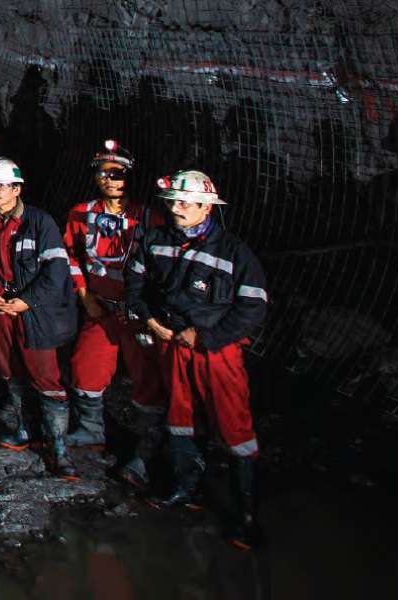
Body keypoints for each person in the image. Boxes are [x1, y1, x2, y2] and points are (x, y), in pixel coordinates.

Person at [125, 170, 269, 550]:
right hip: (171, 342)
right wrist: (150, 319)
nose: (176, 209)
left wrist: (206, 337)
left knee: (234, 426)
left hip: (216, 352)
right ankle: (185, 488)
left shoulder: (235, 252)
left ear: (207, 207)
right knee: (179, 417)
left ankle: (247, 515)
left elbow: (252, 307)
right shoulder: (154, 240)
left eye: (185, 203)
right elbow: (134, 285)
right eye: (172, 202)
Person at [0, 159, 79, 477]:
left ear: (16, 189)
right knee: (10, 371)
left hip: (35, 313)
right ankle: (25, 429)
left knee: (46, 377)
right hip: (0, 307)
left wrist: (27, 301)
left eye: (0, 185)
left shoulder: (39, 222)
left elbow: (57, 270)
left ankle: (59, 449)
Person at [64, 140, 168, 486]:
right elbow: (71, 256)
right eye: (102, 173)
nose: (109, 179)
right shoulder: (82, 213)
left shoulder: (148, 218)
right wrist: (84, 295)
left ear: (129, 177)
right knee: (85, 365)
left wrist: (144, 307)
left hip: (136, 313)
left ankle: (148, 447)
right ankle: (90, 429)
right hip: (100, 307)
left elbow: (161, 266)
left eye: (116, 173)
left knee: (146, 375)